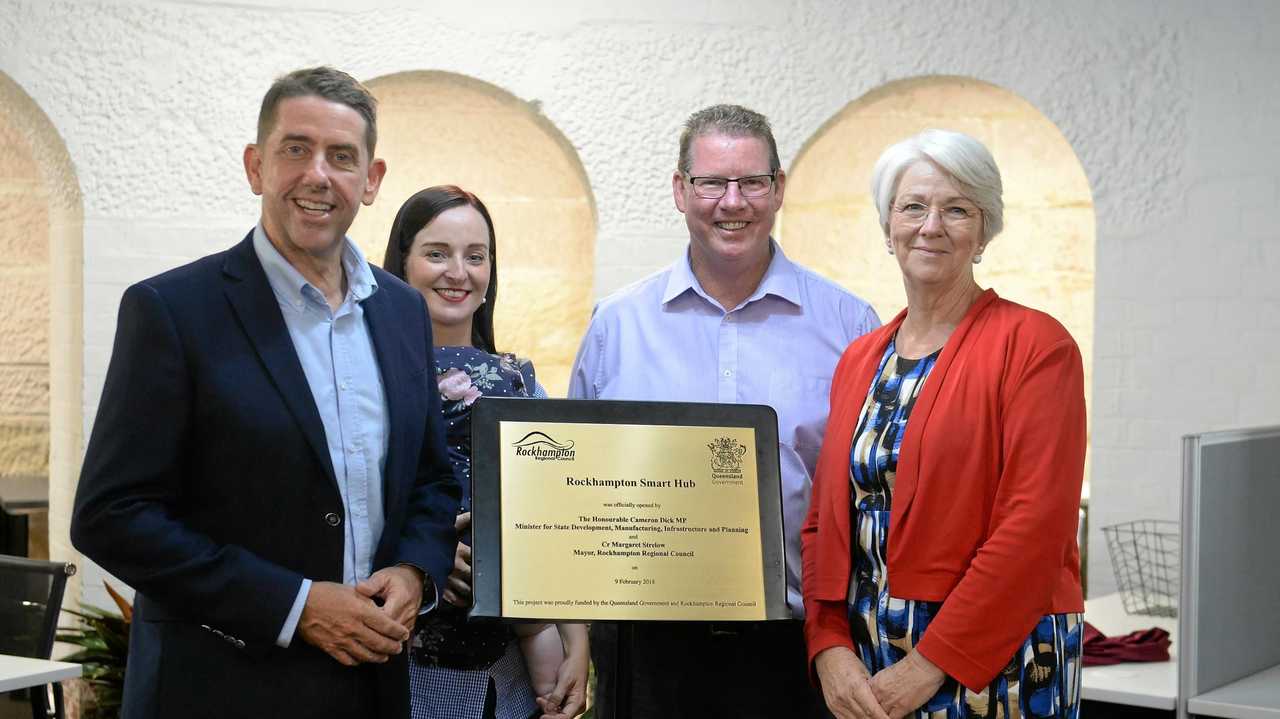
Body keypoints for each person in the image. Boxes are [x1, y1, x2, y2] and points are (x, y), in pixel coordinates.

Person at [70, 67, 460, 719]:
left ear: (372, 180)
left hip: (371, 686)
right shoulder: (172, 310)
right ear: (256, 166)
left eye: (342, 157)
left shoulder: (401, 311)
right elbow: (112, 515)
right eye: (295, 149)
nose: (318, 175)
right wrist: (295, 604)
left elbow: (429, 479)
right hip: (221, 686)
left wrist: (416, 571)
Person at [568, 104, 880, 717]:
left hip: (799, 649)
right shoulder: (618, 326)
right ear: (681, 191)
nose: (731, 202)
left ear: (779, 189)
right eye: (712, 182)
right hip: (645, 647)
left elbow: (865, 497)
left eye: (752, 182)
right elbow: (578, 494)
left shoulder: (850, 327)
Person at [801, 129, 1086, 719]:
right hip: (866, 665)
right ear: (888, 228)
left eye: (957, 209)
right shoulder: (860, 359)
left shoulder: (1036, 346)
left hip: (998, 658)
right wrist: (827, 644)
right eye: (913, 207)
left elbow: (1035, 530)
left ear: (984, 233)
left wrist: (930, 665)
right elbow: (823, 520)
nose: (931, 226)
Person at [383, 185, 589, 719]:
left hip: (513, 663)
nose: (459, 272)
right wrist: (423, 556)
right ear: (401, 262)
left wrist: (578, 640)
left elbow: (561, 516)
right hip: (405, 658)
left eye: (476, 256)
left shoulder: (521, 381)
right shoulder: (367, 380)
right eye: (437, 253)